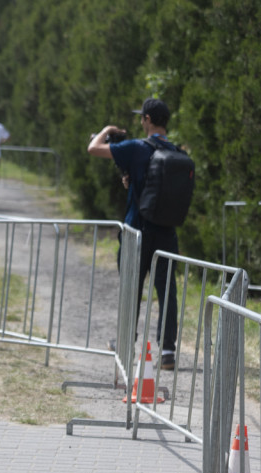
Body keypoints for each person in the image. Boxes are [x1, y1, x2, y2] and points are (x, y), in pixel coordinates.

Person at [87, 97, 179, 370]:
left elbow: (93, 149)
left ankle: (126, 341)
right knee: (166, 291)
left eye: (142, 117)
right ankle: (168, 352)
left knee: (131, 288)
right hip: (167, 233)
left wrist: (106, 130)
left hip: (137, 231)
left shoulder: (136, 148)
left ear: (148, 120)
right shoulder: (175, 152)